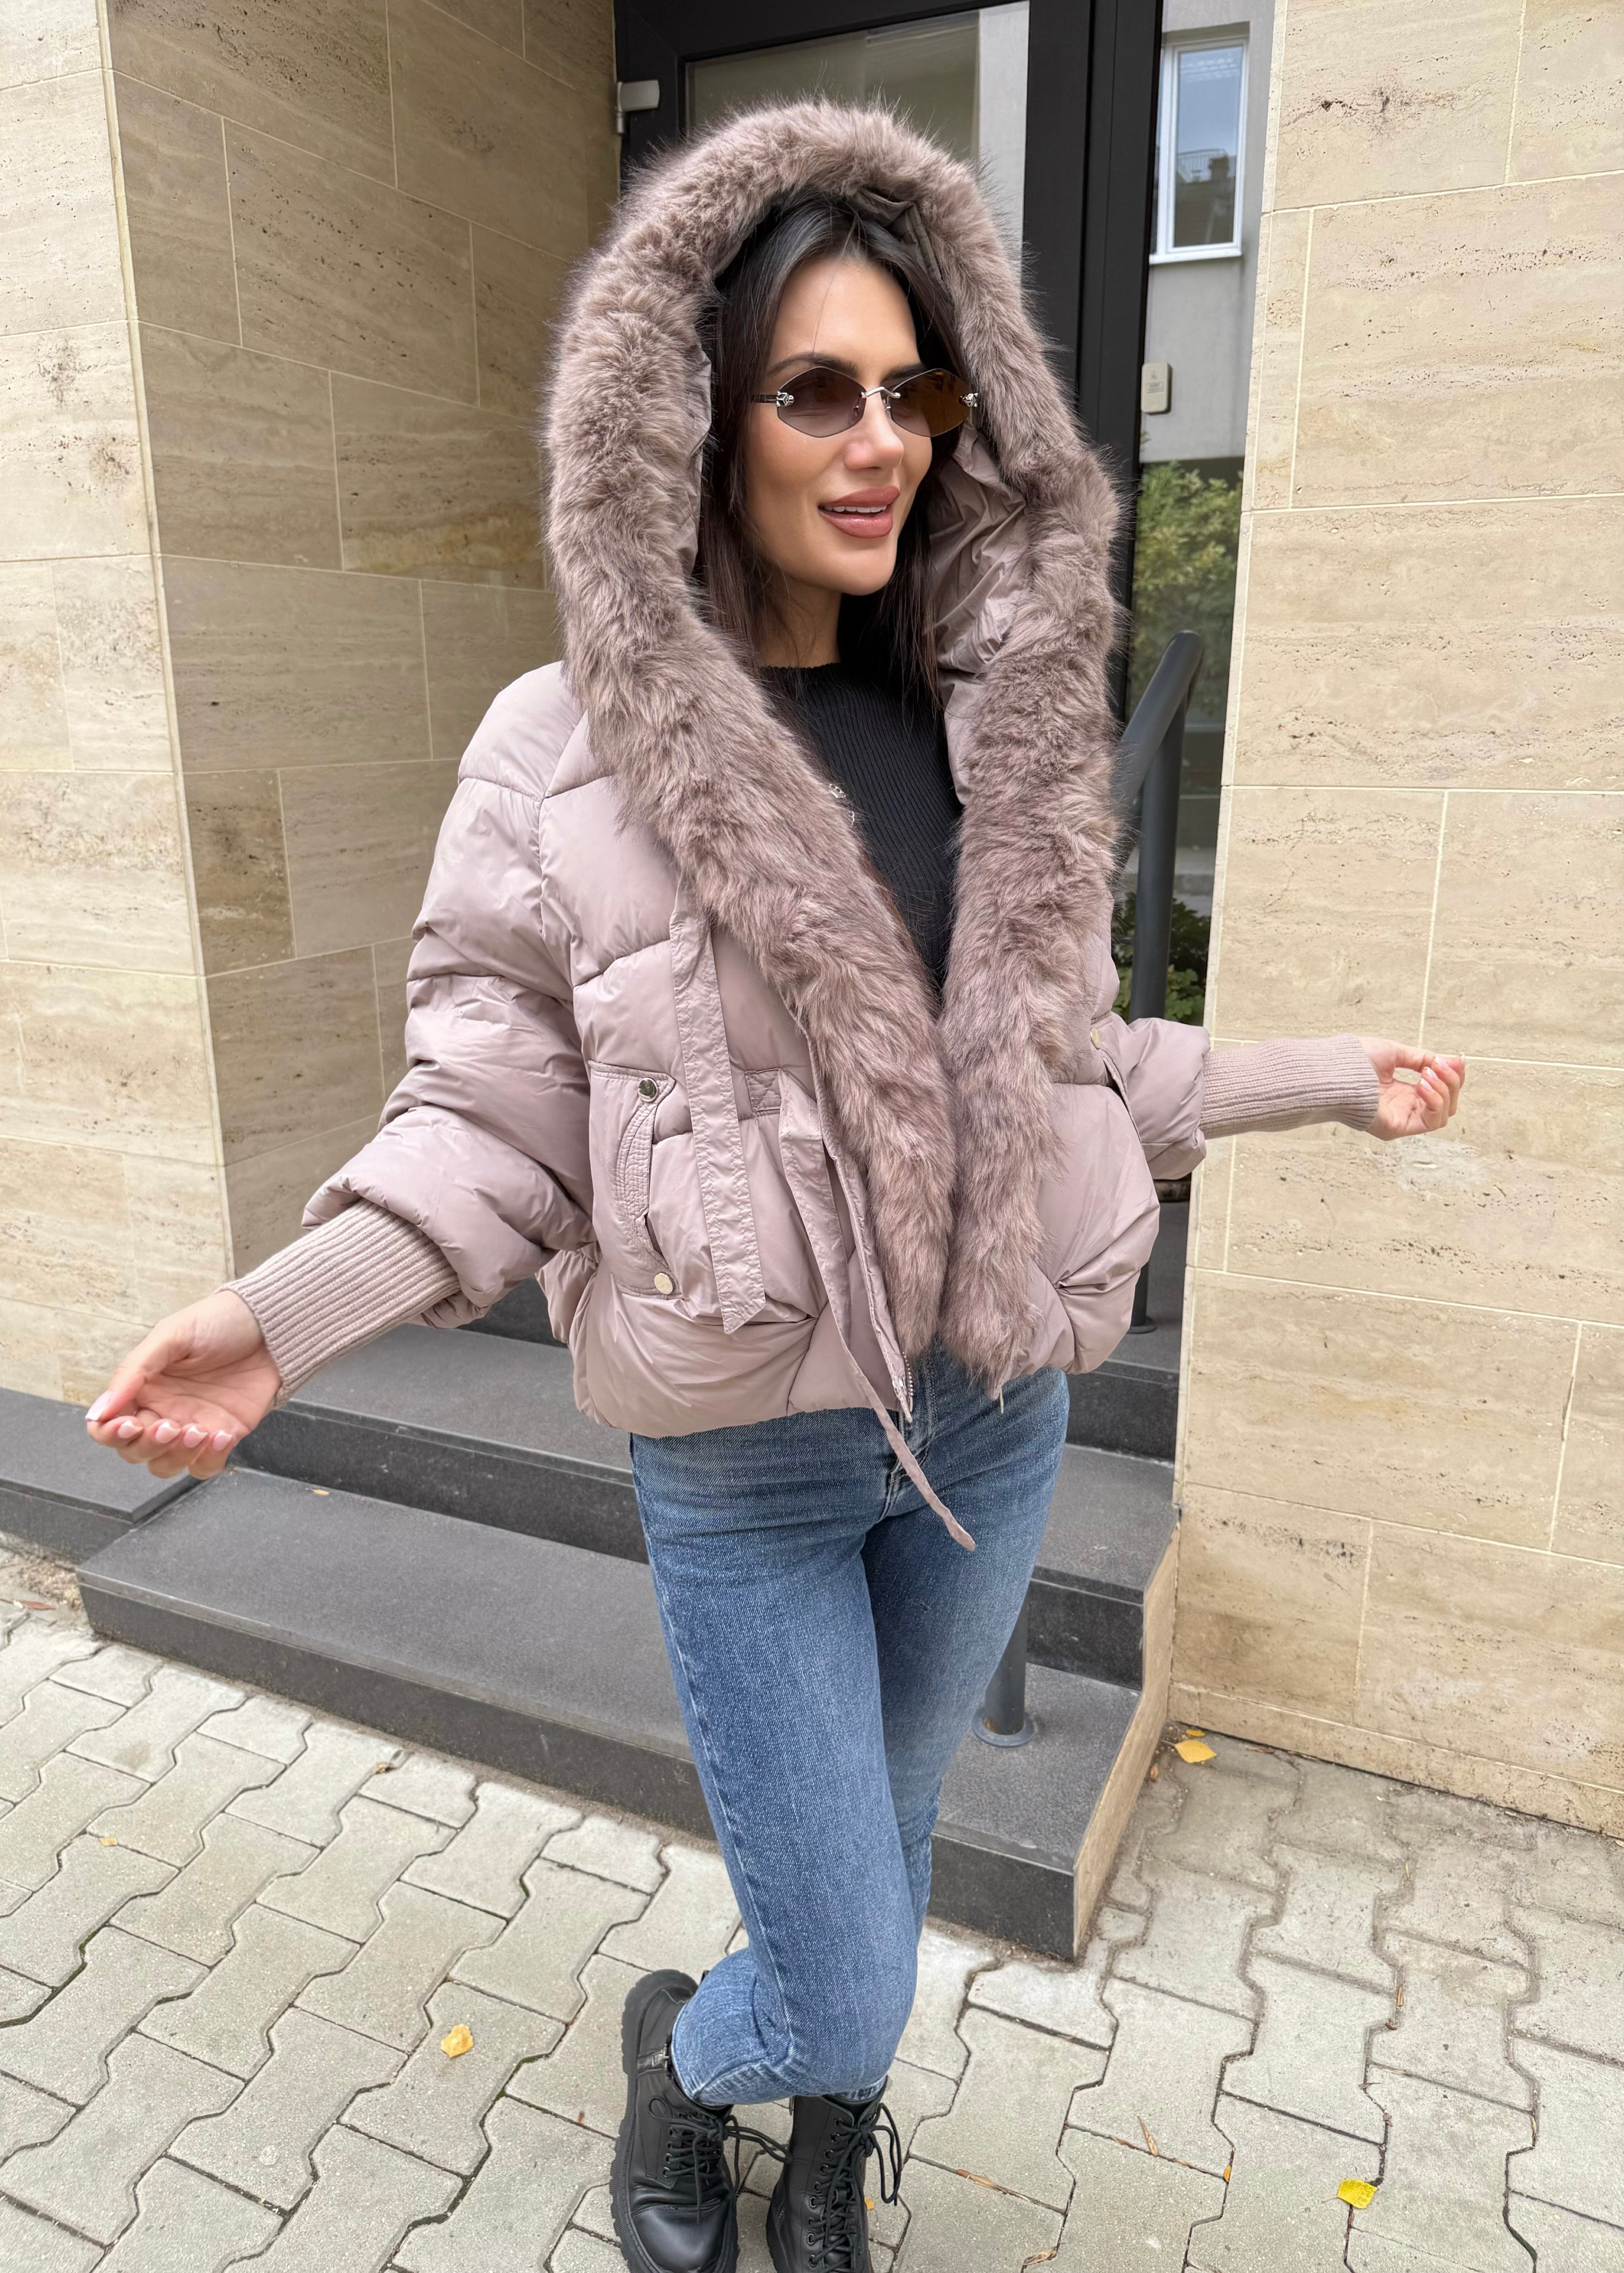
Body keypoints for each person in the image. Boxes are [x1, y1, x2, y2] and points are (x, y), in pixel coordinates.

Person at [84, 101, 1464, 2273]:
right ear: (694, 416)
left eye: (918, 393)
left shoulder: (991, 731)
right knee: (838, 1963)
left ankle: (826, 2118)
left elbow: (1070, 1069)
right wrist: (285, 1316)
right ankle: (697, 2056)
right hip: (746, 1469)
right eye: (817, 389)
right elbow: (495, 1108)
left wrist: (1325, 1080)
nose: (881, 441)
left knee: (874, 1863)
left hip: (992, 1430)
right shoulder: (555, 754)